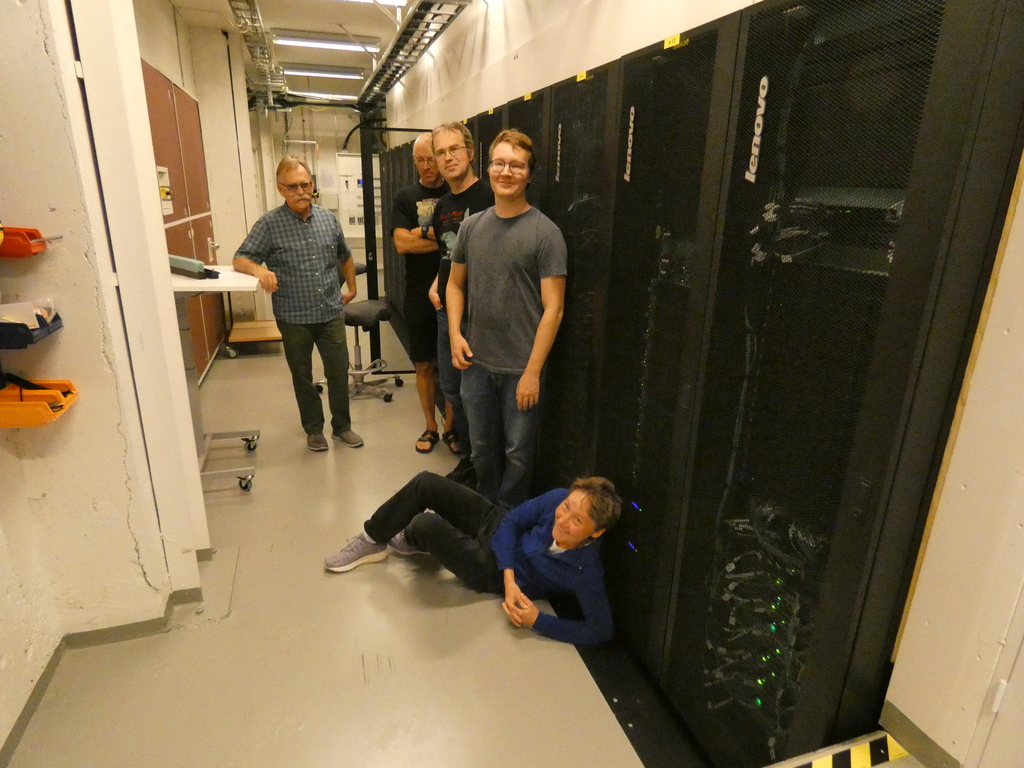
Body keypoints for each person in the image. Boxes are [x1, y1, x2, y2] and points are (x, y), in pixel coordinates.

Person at [323, 471, 622, 645]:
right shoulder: (557, 498)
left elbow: (600, 629)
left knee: (423, 524)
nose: (563, 519)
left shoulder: (585, 571)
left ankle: (414, 538)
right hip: (497, 529)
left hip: (489, 571)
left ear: (596, 532)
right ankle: (372, 539)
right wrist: (510, 576)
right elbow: (511, 521)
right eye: (567, 507)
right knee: (425, 483)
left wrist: (538, 620)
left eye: (577, 520)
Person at [447, 129, 567, 508]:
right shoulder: (471, 227)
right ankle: (485, 513)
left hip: (521, 368)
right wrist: (455, 334)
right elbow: (454, 285)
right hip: (476, 363)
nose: (506, 172)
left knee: (518, 454)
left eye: (517, 165)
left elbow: (554, 308)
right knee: (481, 448)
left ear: (529, 174)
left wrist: (533, 372)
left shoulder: (546, 234)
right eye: (499, 163)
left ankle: (508, 518)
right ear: (488, 169)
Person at [233, 156, 363, 453]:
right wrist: (260, 270)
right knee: (302, 376)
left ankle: (342, 427)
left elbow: (344, 255)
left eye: (305, 184)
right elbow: (241, 258)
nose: (301, 191)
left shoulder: (328, 219)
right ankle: (314, 429)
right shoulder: (269, 224)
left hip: (330, 311)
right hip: (293, 316)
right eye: (292, 187)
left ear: (312, 184)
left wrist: (352, 288)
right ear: (281, 189)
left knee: (338, 372)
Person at [429, 122, 495, 486]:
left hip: (480, 317)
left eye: (454, 149)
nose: (448, 157)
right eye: (441, 152)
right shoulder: (442, 205)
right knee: (452, 390)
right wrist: (435, 284)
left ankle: (482, 467)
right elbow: (448, 254)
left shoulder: (489, 197)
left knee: (478, 397)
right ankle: (470, 458)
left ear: (470, 152)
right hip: (448, 313)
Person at [391, 133, 451, 454]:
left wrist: (422, 233)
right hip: (417, 293)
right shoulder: (405, 197)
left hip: (454, 290)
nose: (427, 166)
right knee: (424, 364)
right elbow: (401, 243)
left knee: (452, 365)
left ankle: (451, 427)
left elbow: (463, 241)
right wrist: (443, 240)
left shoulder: (455, 193)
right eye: (420, 160)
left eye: (432, 159)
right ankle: (430, 426)